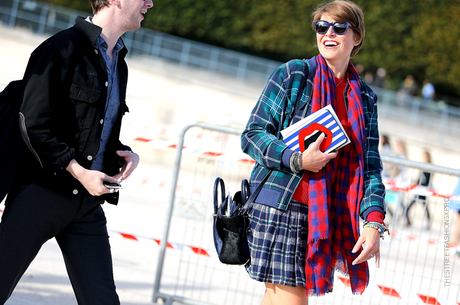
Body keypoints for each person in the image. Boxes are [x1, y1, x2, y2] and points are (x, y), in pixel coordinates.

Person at [0, 0, 153, 303]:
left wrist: (123, 152)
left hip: (86, 204)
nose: (149, 3)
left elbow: (92, 129)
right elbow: (33, 123)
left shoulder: (118, 60)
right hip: (40, 194)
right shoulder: (61, 48)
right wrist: (78, 171)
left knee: (103, 300)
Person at [241, 1, 386, 303]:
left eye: (339, 27)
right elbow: (252, 136)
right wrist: (298, 159)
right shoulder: (294, 74)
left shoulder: (366, 98)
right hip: (280, 207)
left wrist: (373, 221)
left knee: (276, 298)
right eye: (322, 27)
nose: (328, 33)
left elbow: (369, 166)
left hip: (324, 216)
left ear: (356, 37)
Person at [404, 150, 432, 227]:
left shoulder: (429, 167)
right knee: (424, 207)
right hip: (419, 189)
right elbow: (420, 178)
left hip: (422, 190)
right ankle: (408, 219)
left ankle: (408, 220)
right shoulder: (424, 166)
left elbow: (426, 180)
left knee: (423, 207)